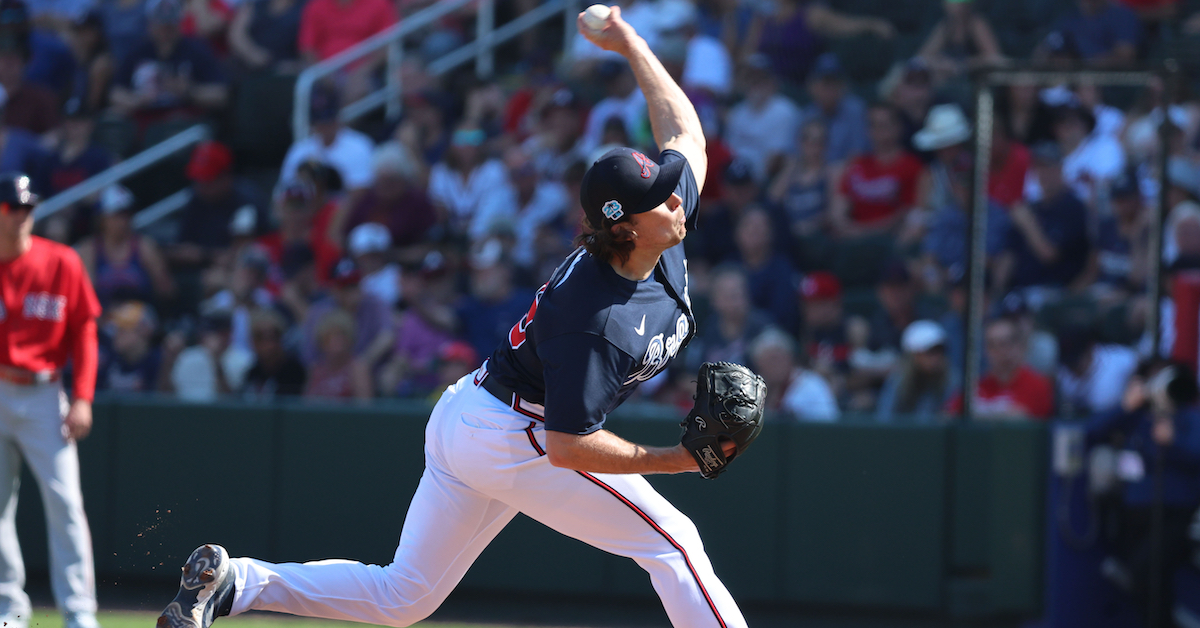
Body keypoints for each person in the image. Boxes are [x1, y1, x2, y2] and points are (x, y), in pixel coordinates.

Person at [157, 7, 750, 628]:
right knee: (673, 543)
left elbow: (685, 132)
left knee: (404, 598)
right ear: (624, 225)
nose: (678, 198)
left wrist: (629, 43)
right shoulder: (593, 316)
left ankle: (235, 584)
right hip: (517, 434)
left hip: (475, 413)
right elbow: (569, 448)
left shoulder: (660, 228)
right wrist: (673, 459)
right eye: (659, 199)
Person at [0, 172, 102, 628]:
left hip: (45, 393)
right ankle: (8, 607)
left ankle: (79, 613)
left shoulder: (61, 261)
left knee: (66, 504)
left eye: (26, 207)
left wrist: (82, 396)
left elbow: (84, 329)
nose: (20, 215)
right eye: (11, 207)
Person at [1087, 364, 1200, 628]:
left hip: (1175, 514)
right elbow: (1091, 433)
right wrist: (1125, 406)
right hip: (1133, 511)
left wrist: (1174, 442)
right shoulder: (1135, 417)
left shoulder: (1189, 417)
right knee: (1142, 579)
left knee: (1145, 571)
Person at [109, 0, 228, 122]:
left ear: (179, 23)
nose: (165, 31)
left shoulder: (197, 50)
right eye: (161, 25)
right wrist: (137, 100)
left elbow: (221, 94)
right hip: (143, 122)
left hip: (184, 123)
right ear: (150, 24)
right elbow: (116, 93)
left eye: (170, 25)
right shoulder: (137, 51)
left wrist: (189, 92)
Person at [830, 102, 925, 238]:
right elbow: (839, 207)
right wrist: (847, 228)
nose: (878, 130)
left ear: (898, 128)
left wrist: (863, 232)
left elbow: (905, 215)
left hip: (887, 239)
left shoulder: (912, 166)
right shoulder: (858, 163)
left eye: (884, 125)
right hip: (851, 238)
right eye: (873, 124)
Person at [75, 184, 174, 308]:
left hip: (140, 315)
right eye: (118, 215)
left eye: (127, 214)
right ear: (102, 219)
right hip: (104, 316)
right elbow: (85, 296)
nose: (124, 221)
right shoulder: (89, 249)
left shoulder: (144, 246)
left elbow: (167, 292)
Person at [948, 317, 1054, 420]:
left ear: (1019, 346)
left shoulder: (1037, 385)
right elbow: (949, 415)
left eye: (1004, 344)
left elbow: (1027, 419)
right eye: (992, 345)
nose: (998, 351)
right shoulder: (976, 386)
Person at [723, 54, 800, 183]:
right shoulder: (737, 113)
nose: (755, 83)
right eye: (751, 78)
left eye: (760, 78)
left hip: (766, 181)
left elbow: (776, 159)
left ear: (771, 81)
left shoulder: (784, 111)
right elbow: (729, 153)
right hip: (735, 180)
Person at [749, 326, 838, 422]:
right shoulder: (761, 390)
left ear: (789, 358)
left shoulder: (812, 385)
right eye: (766, 362)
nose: (773, 366)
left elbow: (828, 424)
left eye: (776, 359)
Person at [876, 320, 958, 423]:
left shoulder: (952, 380)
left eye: (939, 351)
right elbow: (884, 418)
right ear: (914, 355)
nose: (936, 357)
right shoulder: (898, 380)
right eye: (930, 352)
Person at [797, 53, 869, 164]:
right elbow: (798, 157)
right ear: (812, 87)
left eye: (834, 82)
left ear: (844, 86)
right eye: (825, 83)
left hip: (847, 175)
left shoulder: (856, 111)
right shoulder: (807, 115)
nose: (830, 88)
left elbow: (859, 154)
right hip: (816, 175)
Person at [1056, 326, 1139, 418]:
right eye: (1068, 365)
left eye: (1076, 363)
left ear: (1090, 348)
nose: (1072, 369)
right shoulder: (1063, 374)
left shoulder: (1123, 361)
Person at [916, 0, 1004, 82]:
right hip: (950, 82)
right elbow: (922, 57)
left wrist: (962, 65)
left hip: (976, 81)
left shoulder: (976, 24)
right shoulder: (946, 26)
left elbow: (994, 58)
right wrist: (941, 63)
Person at [227, 0, 305, 73]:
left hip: (285, 72)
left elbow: (308, 48)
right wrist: (252, 54)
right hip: (248, 66)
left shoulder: (305, 7)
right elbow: (236, 34)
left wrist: (295, 66)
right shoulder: (254, 5)